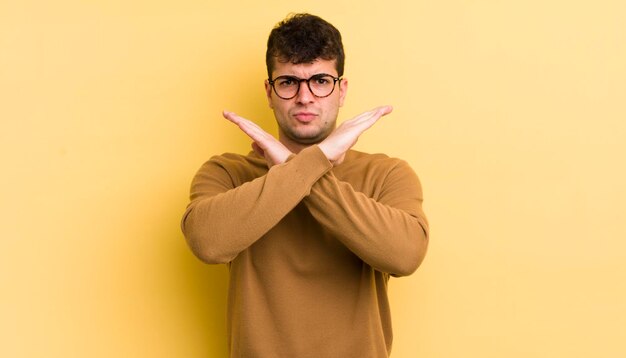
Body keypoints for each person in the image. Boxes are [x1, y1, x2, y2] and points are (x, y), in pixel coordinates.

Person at [181, 13, 429, 358]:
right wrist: (319, 160)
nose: (305, 97)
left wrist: (294, 167)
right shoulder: (228, 172)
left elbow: (404, 256)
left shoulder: (386, 174)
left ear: (341, 90)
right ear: (269, 92)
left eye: (321, 80)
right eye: (288, 83)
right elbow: (207, 242)